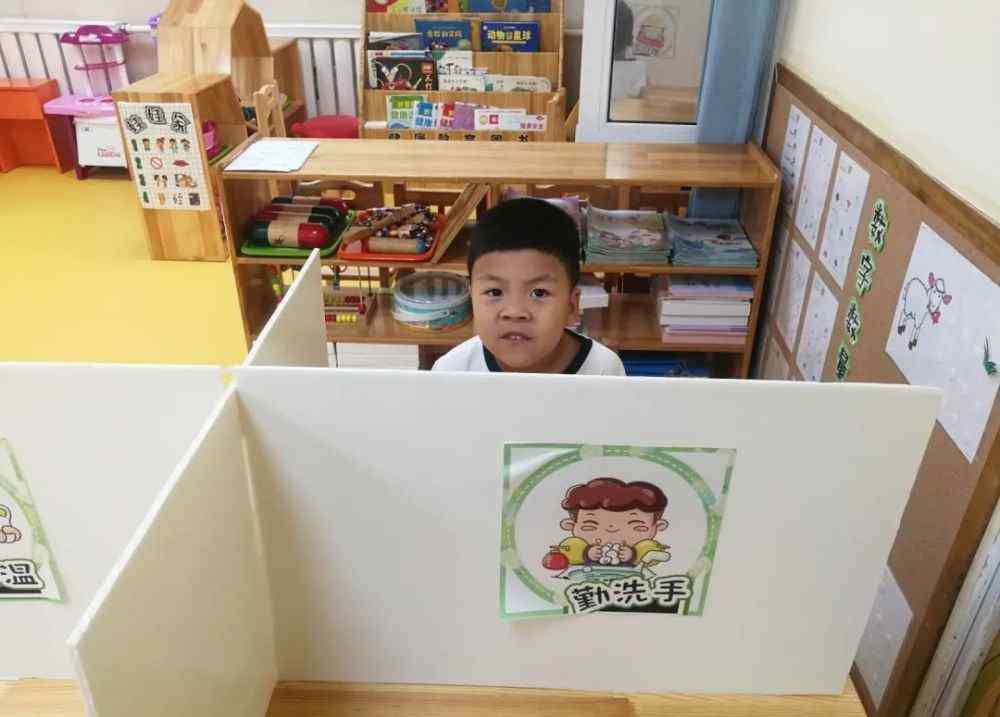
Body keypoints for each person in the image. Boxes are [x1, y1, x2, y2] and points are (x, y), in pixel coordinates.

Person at [433, 198, 625, 375]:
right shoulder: (452, 371)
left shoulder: (603, 370)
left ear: (571, 307)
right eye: (495, 292)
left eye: (539, 293)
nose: (515, 312)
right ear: (471, 300)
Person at [547, 477, 669, 568]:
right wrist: (586, 552)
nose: (612, 530)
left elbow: (654, 553)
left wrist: (634, 555)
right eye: (590, 527)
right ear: (570, 526)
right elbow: (568, 548)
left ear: (658, 526)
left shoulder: (649, 546)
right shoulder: (575, 544)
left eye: (637, 527)